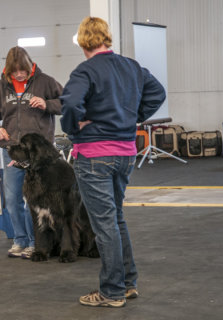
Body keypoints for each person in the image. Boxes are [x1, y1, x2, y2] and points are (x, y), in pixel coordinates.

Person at [60, 17, 166, 307]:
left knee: (104, 225)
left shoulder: (84, 71)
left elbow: (69, 104)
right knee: (116, 219)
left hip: (95, 155)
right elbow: (158, 93)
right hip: (125, 153)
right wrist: (133, 116)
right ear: (107, 38)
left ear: (83, 42)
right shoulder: (131, 66)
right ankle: (127, 283)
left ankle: (111, 292)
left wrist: (72, 128)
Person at [0, 46, 63, 259]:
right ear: (8, 70)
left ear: (30, 67)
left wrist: (47, 104)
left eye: (23, 71)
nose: (19, 75)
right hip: (12, 151)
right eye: (15, 71)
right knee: (12, 198)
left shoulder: (46, 82)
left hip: (40, 155)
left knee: (36, 200)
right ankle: (20, 240)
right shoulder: (0, 87)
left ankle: (35, 242)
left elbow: (67, 102)